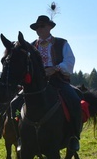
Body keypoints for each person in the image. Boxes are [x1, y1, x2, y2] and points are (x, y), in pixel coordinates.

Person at [28, 15, 83, 151]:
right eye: (37, 27)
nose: (39, 29)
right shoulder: (30, 47)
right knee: (15, 104)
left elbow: (70, 61)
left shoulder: (62, 43)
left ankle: (73, 137)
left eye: (42, 26)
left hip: (58, 80)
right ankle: (20, 137)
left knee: (75, 100)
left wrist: (56, 68)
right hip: (36, 84)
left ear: (50, 27)